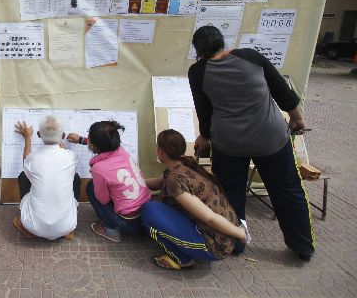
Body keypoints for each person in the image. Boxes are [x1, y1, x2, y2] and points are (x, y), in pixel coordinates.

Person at [188, 25, 315, 261]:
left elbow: (204, 111)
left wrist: (204, 135)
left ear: (199, 49)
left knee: (231, 193)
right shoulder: (251, 57)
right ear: (222, 42)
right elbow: (282, 92)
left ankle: (236, 244)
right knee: (287, 190)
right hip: (271, 138)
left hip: (229, 143)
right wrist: (297, 118)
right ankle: (303, 247)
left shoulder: (197, 71)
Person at [141, 130, 249, 271]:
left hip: (215, 245)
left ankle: (182, 260)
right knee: (158, 207)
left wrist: (240, 233)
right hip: (218, 231)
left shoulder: (176, 179)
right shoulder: (184, 164)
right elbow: (158, 183)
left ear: (161, 152)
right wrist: (132, 180)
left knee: (149, 211)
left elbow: (210, 218)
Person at [67, 121, 151, 243]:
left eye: (89, 138)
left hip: (127, 223)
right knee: (108, 186)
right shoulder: (120, 149)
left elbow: (103, 200)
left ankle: (111, 230)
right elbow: (103, 145)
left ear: (95, 146)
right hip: (146, 214)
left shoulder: (99, 169)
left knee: (91, 187)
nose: (88, 140)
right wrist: (81, 140)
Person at [13, 116, 80, 240]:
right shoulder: (72, 157)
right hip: (67, 225)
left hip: (33, 227)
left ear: (38, 134)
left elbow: (26, 160)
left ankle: (27, 227)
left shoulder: (32, 159)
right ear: (63, 135)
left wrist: (27, 138)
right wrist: (58, 140)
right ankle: (67, 232)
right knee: (75, 177)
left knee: (24, 176)